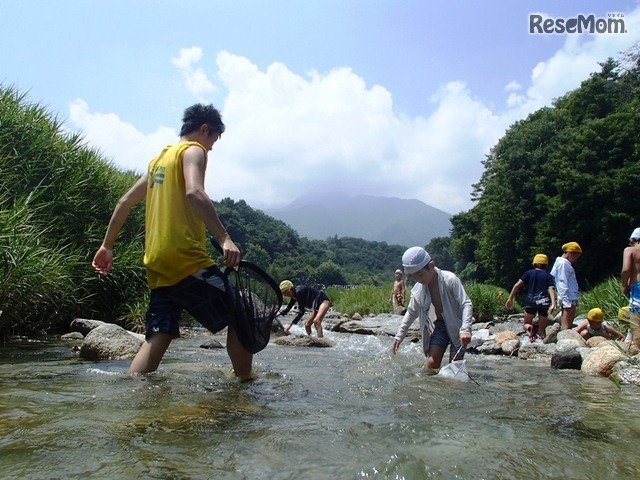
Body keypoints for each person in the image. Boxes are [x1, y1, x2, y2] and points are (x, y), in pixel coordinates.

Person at [92, 103, 254, 380]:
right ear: (205, 129)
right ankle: (245, 383)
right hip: (185, 259)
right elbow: (194, 192)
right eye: (214, 139)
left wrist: (107, 246)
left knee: (160, 333)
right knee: (241, 314)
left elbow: (124, 201)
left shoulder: (158, 161)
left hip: (156, 262)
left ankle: (136, 390)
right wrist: (224, 238)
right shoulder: (194, 151)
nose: (212, 147)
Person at [391, 246, 474, 373]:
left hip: (458, 328)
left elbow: (466, 303)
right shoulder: (419, 290)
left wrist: (466, 329)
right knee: (432, 364)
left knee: (454, 367)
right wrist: (399, 337)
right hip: (440, 327)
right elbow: (411, 313)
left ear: (431, 265)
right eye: (414, 277)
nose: (419, 280)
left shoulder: (450, 279)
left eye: (420, 275)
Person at [505, 253, 556, 342]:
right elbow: (551, 289)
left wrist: (510, 299)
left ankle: (530, 328)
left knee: (526, 323)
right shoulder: (548, 276)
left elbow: (517, 285)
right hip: (544, 303)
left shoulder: (528, 273)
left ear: (533, 264)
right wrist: (553, 303)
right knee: (542, 329)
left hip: (531, 302)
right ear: (547, 265)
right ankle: (541, 340)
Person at [549, 241, 582, 330]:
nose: (576, 260)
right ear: (570, 253)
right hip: (568, 296)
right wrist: (564, 298)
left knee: (569, 322)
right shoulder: (563, 264)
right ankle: (566, 336)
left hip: (570, 295)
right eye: (576, 257)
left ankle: (567, 333)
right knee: (567, 324)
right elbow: (562, 281)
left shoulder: (562, 263)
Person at [621, 227, 640, 345]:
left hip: (637, 287)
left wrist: (624, 285)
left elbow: (626, 269)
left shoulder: (630, 250)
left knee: (636, 319)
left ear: (633, 240)